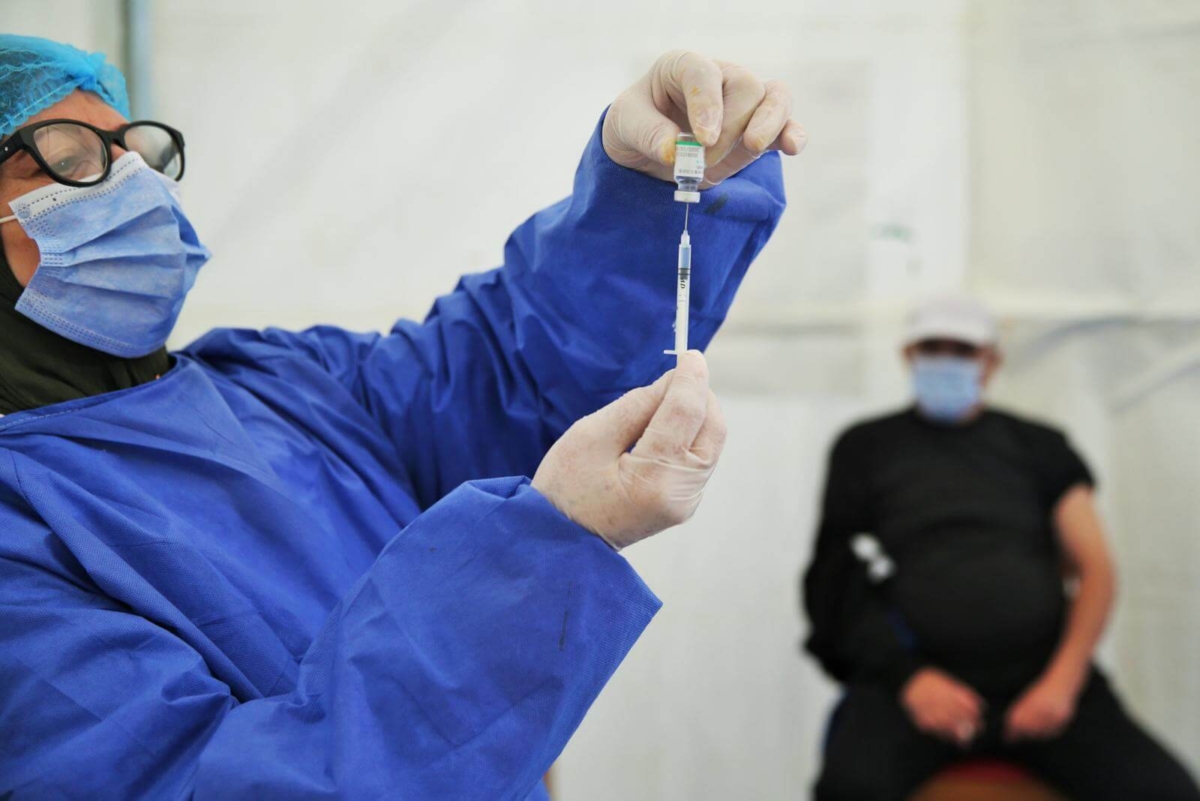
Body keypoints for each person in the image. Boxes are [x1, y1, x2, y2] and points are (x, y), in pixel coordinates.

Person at [0, 35, 805, 799]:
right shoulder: (20, 533)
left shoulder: (276, 385)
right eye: (71, 160)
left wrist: (645, 195)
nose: (136, 187)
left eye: (136, 155)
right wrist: (540, 549)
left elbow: (511, 374)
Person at [803, 294, 1200, 800]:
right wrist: (911, 681)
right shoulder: (866, 447)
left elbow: (1095, 568)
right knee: (848, 789)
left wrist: (1062, 683)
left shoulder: (1041, 446)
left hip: (1042, 678)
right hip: (912, 684)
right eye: (933, 348)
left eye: (963, 351)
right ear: (908, 355)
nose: (946, 360)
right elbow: (836, 576)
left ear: (991, 360)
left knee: (1166, 792)